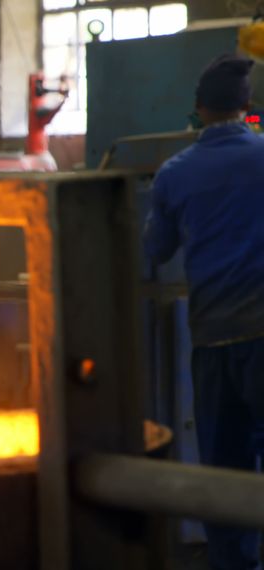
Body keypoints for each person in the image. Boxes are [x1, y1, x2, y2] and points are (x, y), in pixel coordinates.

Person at [144, 53, 264, 570]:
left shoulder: (174, 174)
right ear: (248, 106)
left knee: (222, 473)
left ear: (197, 109)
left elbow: (154, 250)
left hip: (213, 341)